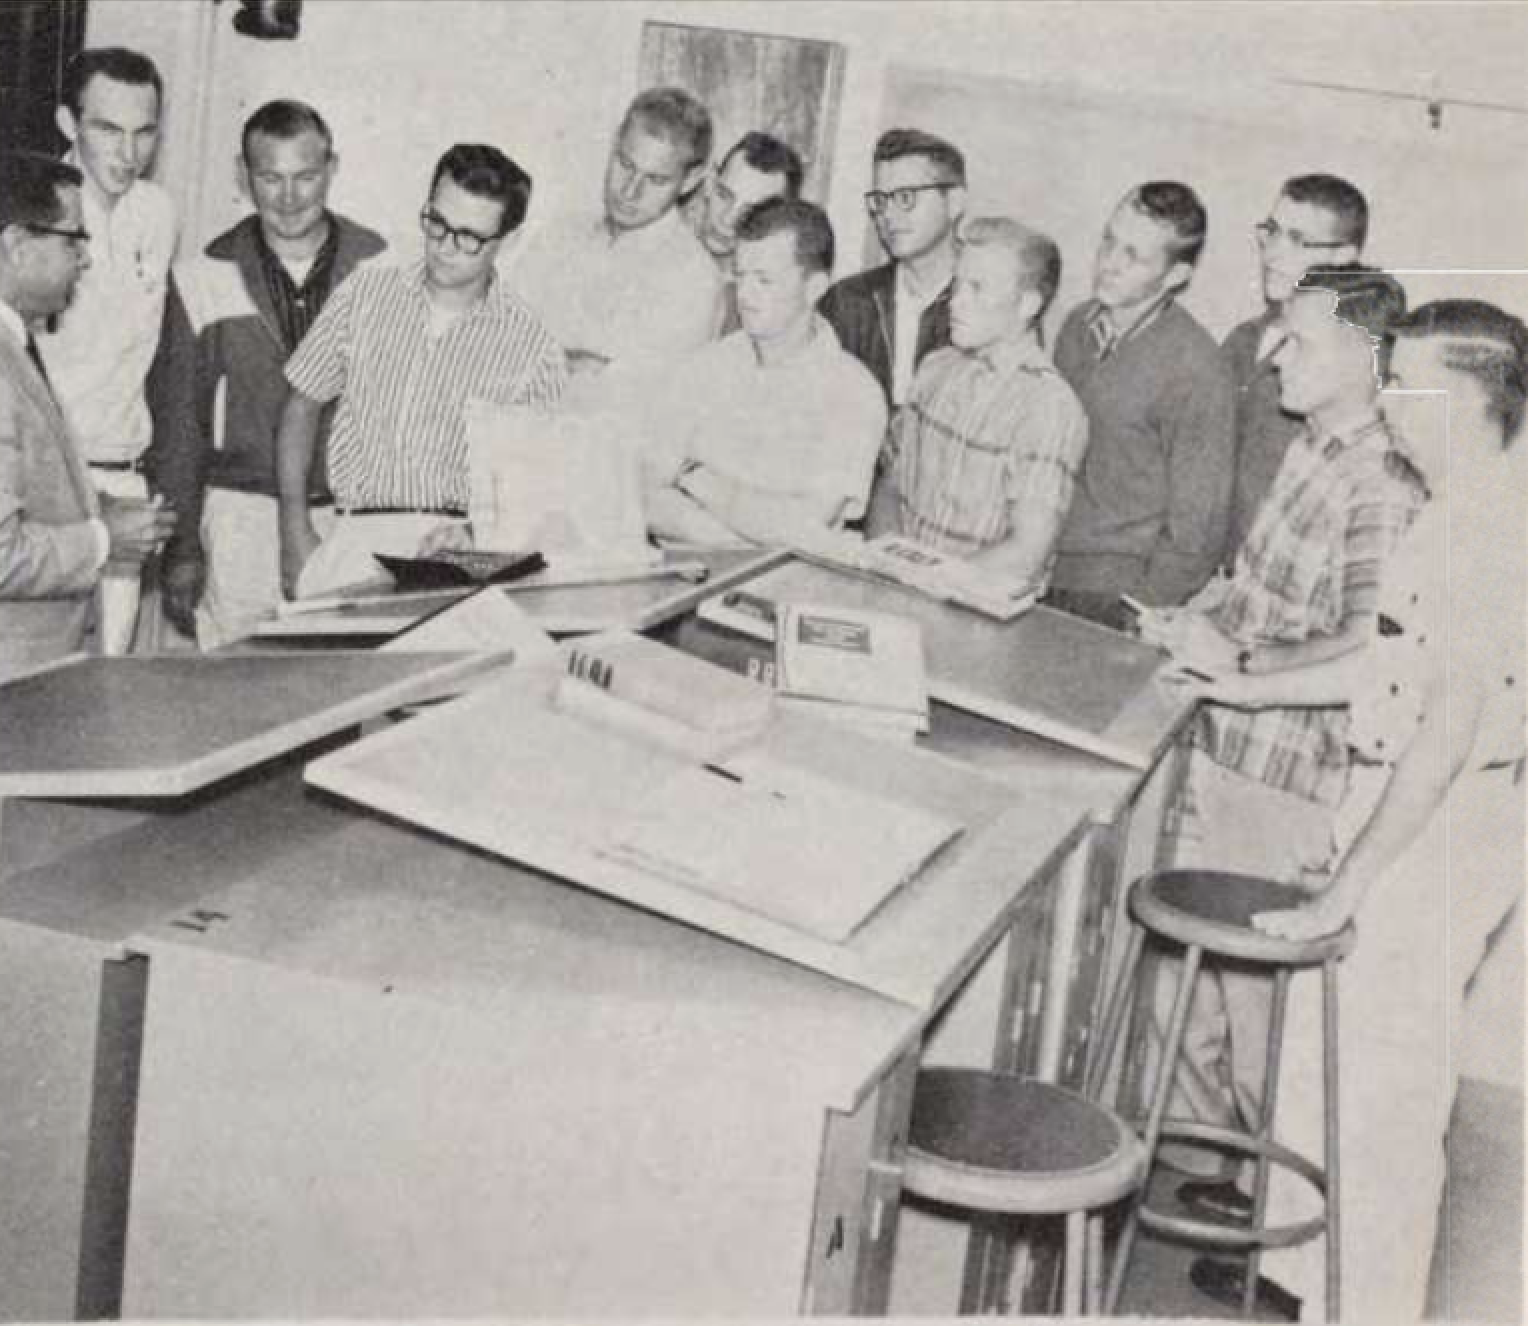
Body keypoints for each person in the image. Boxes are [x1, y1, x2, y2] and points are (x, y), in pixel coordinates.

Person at [1171, 298, 1527, 1323]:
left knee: (1381, 1112)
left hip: (1436, 833)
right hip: (1410, 810)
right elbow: (1386, 665)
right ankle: (1300, 1294)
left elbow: (1443, 738)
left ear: (1460, 401)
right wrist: (1245, 683)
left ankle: (1359, 1307)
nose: (1387, 402)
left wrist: (1347, 887)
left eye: (1403, 382)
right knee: (1326, 1087)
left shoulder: (1485, 532)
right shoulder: (1456, 510)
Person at [1134, 266, 1424, 1191]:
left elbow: (1367, 640)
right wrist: (1192, 621)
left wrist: (1246, 667)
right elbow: (1257, 589)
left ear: (1362, 357)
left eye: (1297, 341)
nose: (1272, 354)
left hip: (1287, 774)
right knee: (1191, 994)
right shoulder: (1312, 444)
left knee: (1259, 1016)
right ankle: (1219, 1177)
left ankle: (1270, 1211)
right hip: (1230, 748)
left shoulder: (1379, 479)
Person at [276, 143, 564, 600]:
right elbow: (301, 405)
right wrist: (293, 533)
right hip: (354, 542)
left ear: (506, 241)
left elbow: (533, 480)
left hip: (458, 555)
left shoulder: (531, 345)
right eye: (437, 224)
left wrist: (474, 532)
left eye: (469, 238)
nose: (446, 248)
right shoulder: (366, 294)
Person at [149, 100, 386, 648]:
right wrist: (183, 548)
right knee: (236, 690)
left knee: (340, 689)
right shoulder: (200, 277)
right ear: (242, 175)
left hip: (348, 520)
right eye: (270, 177)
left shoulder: (381, 270)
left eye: (305, 176)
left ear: (332, 168)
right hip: (239, 517)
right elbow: (180, 427)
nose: (289, 197)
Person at [0, 151, 174, 678]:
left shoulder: (16, 344)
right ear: (15, 245)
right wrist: (104, 540)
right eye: (74, 238)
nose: (86, 258)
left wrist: (103, 511)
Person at [643, 197, 885, 550]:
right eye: (740, 276)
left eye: (764, 280)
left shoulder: (854, 394)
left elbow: (804, 527)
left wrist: (695, 477)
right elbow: (645, 492)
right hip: (684, 575)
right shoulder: (705, 366)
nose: (744, 294)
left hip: (785, 591)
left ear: (815, 287)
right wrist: (739, 539)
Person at [37, 47, 177, 655]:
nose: (129, 153)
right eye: (108, 130)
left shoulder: (158, 212)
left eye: (144, 132)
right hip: (48, 496)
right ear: (70, 124)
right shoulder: (34, 215)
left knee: (105, 689)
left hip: (127, 483)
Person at [1046, 181, 1235, 629]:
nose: (1108, 263)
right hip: (1043, 566)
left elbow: (1198, 529)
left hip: (1112, 594)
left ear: (1176, 277)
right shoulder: (1076, 325)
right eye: (1109, 241)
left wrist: (1138, 610)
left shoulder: (1198, 369)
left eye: (1133, 255)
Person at [869, 216, 1088, 590]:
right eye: (957, 284)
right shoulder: (935, 368)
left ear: (1027, 304)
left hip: (975, 612)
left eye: (977, 288)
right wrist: (887, 565)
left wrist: (927, 583)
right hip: (899, 590)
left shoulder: (1050, 408)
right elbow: (890, 487)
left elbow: (1025, 553)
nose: (956, 302)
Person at [512, 87, 722, 400]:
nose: (629, 191)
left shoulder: (695, 278)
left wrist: (542, 360)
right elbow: (497, 340)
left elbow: (636, 402)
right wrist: (583, 365)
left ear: (690, 181)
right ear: (614, 144)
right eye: (625, 163)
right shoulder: (560, 234)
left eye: (655, 180)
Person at [1223, 176, 1368, 562]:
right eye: (1271, 232)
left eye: (1298, 241)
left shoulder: (1345, 370)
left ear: (1344, 258)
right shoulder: (1242, 340)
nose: (1272, 254)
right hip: (1213, 576)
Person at [817, 128, 966, 409]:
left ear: (955, 202)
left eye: (906, 197)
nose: (887, 214)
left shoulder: (987, 308)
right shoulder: (846, 302)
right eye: (880, 200)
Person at [693, 131, 803, 337]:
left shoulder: (768, 312)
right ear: (710, 183)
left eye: (749, 213)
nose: (726, 220)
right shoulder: (658, 255)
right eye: (724, 196)